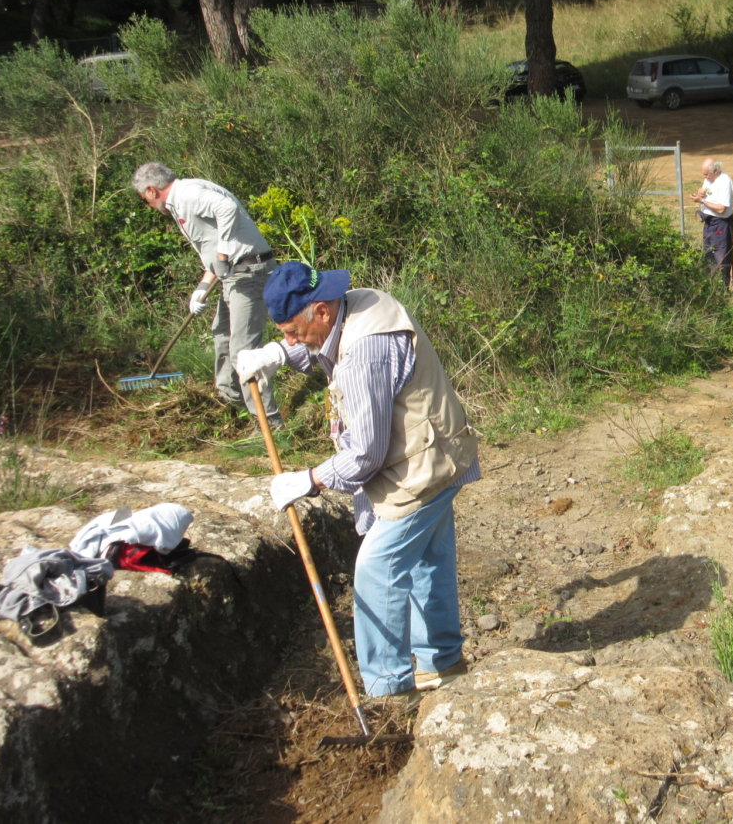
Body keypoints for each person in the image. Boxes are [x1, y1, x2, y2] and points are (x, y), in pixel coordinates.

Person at [234, 261, 480, 706]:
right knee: (427, 560)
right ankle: (442, 664)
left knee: (377, 571)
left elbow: (366, 454)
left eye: (293, 332)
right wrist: (278, 354)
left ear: (321, 310)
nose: (293, 340)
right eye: (286, 334)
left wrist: (310, 480)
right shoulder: (356, 305)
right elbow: (321, 347)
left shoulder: (366, 350)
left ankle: (390, 693)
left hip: (420, 469)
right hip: (440, 447)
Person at [131, 162, 282, 428]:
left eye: (145, 200)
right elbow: (214, 249)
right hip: (233, 275)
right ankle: (233, 402)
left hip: (249, 273)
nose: (149, 205)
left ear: (152, 190)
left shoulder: (187, 194)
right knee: (221, 335)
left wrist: (222, 255)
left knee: (243, 352)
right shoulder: (180, 201)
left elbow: (227, 208)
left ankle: (270, 424)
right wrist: (202, 288)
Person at [689, 157, 733, 287]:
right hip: (709, 223)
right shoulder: (709, 179)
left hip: (721, 224)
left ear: (715, 171)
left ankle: (723, 288)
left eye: (706, 174)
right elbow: (705, 192)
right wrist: (700, 194)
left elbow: (721, 209)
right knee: (708, 253)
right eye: (703, 174)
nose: (704, 177)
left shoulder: (725, 182)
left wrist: (702, 201)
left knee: (721, 257)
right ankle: (711, 285)